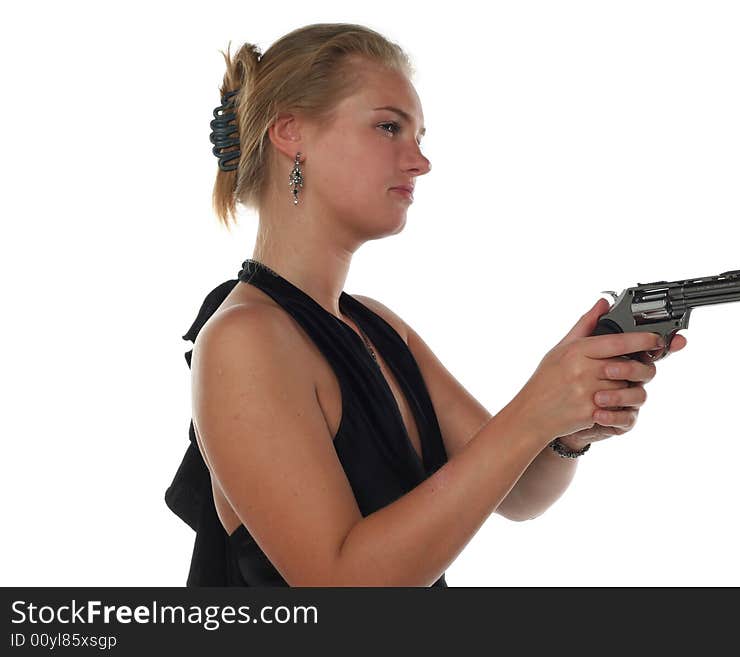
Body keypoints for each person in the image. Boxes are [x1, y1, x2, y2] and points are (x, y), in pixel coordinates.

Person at [165, 22, 687, 587]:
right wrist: (536, 407)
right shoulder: (244, 339)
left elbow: (520, 495)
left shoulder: (379, 327)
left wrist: (569, 425)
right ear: (291, 131)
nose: (419, 161)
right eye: (388, 127)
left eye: (418, 136)